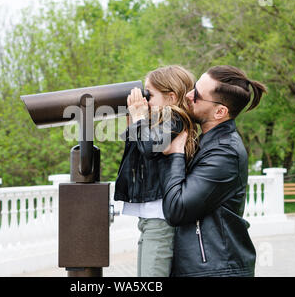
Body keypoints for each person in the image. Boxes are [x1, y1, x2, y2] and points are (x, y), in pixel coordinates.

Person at [160, 65, 267, 277]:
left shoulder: (225, 154)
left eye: (197, 95)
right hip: (205, 267)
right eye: (193, 88)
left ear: (220, 112)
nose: (188, 95)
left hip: (216, 270)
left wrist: (176, 155)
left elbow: (176, 209)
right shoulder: (208, 144)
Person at [114, 65, 199, 277]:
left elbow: (150, 148)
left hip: (160, 218)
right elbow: (137, 149)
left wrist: (140, 119)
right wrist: (134, 118)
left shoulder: (177, 118)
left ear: (171, 97)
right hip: (150, 218)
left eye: (149, 94)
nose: (144, 99)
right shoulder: (158, 121)